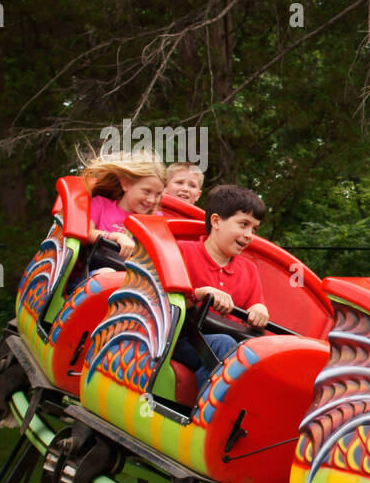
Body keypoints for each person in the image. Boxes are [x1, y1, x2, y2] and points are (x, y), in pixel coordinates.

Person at [173, 185, 271, 393]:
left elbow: (256, 304)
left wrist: (259, 312)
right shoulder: (182, 252)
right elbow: (167, 302)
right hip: (182, 339)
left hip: (227, 346)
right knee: (224, 345)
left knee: (246, 354)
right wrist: (200, 293)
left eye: (254, 229)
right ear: (216, 221)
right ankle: (205, 416)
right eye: (243, 224)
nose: (249, 235)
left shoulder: (249, 270)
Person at [78, 149, 165, 257]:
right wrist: (115, 236)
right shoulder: (100, 204)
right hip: (102, 266)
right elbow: (85, 233)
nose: (152, 200)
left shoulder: (156, 219)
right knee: (108, 272)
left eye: (158, 194)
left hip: (136, 271)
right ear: (126, 184)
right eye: (147, 191)